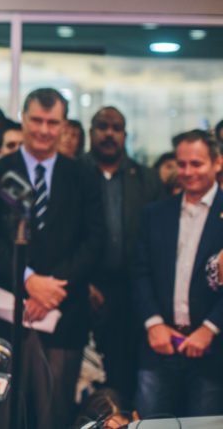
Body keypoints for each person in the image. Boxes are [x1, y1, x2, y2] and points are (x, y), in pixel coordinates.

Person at [0, 88, 104, 429]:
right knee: (1, 418)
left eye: (52, 122)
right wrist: (29, 281)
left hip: (63, 314)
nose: (44, 130)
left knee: (53, 418)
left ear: (63, 125)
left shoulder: (84, 176)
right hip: (4, 316)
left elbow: (95, 241)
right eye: (37, 121)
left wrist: (51, 290)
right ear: (24, 120)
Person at [132, 129, 223, 417]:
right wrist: (154, 322)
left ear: (217, 163)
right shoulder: (155, 213)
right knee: (151, 423)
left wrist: (210, 328)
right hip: (160, 345)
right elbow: (140, 271)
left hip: (211, 350)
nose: (187, 172)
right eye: (181, 164)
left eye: (197, 164)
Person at [79, 107, 163, 402]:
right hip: (82, 288)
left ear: (125, 135)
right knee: (78, 379)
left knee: (124, 375)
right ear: (91, 132)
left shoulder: (147, 179)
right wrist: (82, 282)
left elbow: (157, 244)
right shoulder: (74, 172)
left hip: (131, 292)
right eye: (102, 126)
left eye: (116, 128)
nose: (109, 133)